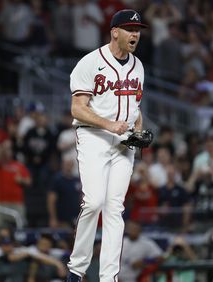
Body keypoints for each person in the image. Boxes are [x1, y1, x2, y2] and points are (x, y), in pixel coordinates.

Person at [66, 9, 147, 282]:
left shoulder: (138, 66)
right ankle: (76, 270)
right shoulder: (89, 63)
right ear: (115, 32)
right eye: (129, 29)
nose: (135, 34)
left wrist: (138, 129)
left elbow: (136, 108)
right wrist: (108, 124)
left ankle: (108, 277)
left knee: (115, 209)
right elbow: (77, 109)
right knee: (93, 202)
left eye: (137, 30)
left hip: (124, 143)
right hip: (93, 137)